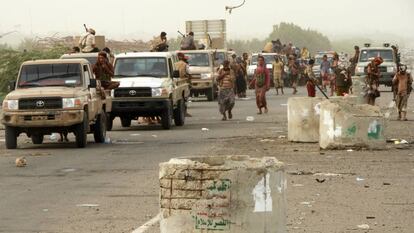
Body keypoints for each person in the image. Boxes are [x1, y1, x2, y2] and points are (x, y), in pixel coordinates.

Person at [175, 53, 192, 117]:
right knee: (185, 98)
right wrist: (190, 81)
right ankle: (185, 112)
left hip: (176, 82)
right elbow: (189, 73)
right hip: (184, 82)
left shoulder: (174, 63)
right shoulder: (185, 64)